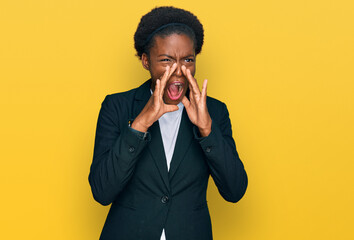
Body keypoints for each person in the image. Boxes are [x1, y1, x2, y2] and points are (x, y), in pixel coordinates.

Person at [89, 6, 248, 240]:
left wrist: (207, 130)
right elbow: (102, 191)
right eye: (166, 60)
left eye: (188, 60)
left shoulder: (215, 111)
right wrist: (140, 124)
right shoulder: (117, 107)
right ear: (145, 61)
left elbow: (235, 191)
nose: (178, 71)